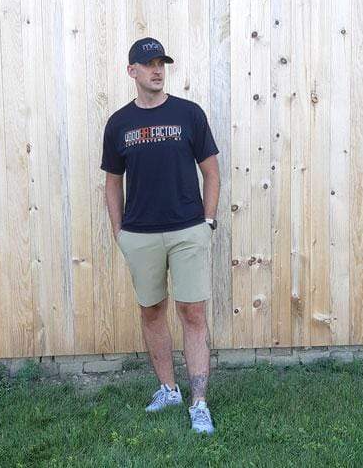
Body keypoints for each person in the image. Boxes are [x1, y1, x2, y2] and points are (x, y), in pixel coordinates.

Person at [100, 37, 220, 435]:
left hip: (188, 230)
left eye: (161, 63)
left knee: (193, 313)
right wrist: (119, 232)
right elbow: (112, 182)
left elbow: (212, 172)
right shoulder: (119, 123)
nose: (157, 70)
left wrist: (208, 221)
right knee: (151, 312)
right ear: (131, 71)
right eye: (149, 64)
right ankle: (168, 390)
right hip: (140, 235)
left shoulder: (189, 114)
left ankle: (199, 403)